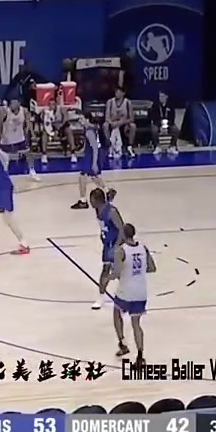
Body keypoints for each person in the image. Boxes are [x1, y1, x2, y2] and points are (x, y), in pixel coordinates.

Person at [111, 223, 156, 362]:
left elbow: (117, 272)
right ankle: (140, 355)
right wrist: (138, 271)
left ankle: (122, 343)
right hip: (141, 291)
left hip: (126, 291)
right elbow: (152, 268)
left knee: (117, 313)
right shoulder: (143, 248)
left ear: (123, 234)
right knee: (136, 324)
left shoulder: (121, 250)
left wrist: (109, 276)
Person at [90, 187, 125, 311]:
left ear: (98, 200)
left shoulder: (112, 212)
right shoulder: (99, 208)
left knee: (120, 272)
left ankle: (126, 297)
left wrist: (117, 246)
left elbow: (122, 229)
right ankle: (101, 297)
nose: (90, 202)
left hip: (115, 243)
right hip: (107, 243)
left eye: (92, 200)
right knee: (105, 270)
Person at [71, 115, 115, 210]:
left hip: (91, 157)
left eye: (82, 119)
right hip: (93, 155)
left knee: (82, 176)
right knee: (94, 176)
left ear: (87, 119)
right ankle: (107, 191)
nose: (80, 121)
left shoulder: (89, 131)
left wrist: (94, 163)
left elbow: (94, 147)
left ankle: (83, 201)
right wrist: (80, 151)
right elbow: (91, 145)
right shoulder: (92, 129)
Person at [1, 98, 39, 181]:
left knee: (29, 154)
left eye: (14, 103)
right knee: (4, 158)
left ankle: (32, 171)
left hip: (19, 137)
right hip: (7, 139)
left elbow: (28, 123)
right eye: (11, 103)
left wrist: (32, 134)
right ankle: (4, 174)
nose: (12, 105)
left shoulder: (24, 111)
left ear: (19, 103)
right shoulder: (6, 111)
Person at [104, 86, 136, 159]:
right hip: (113, 124)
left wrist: (120, 123)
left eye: (119, 92)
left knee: (133, 126)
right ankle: (110, 146)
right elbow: (107, 118)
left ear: (123, 93)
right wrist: (112, 123)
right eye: (116, 92)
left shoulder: (127, 103)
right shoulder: (110, 102)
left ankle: (130, 147)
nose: (117, 94)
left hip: (124, 124)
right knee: (105, 125)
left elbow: (131, 118)